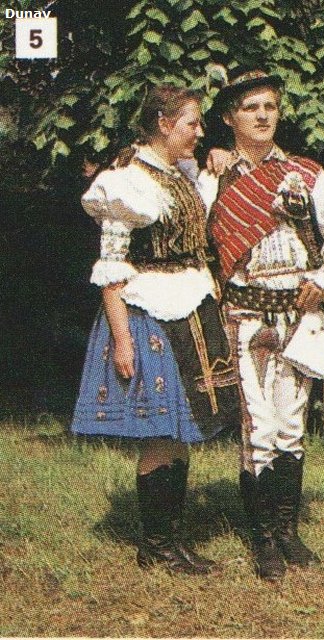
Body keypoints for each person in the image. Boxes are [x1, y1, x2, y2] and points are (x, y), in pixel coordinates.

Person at [198, 70, 324, 582]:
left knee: (292, 427)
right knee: (258, 428)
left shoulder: (303, 174)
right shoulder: (211, 179)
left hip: (298, 315)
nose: (262, 116)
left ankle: (287, 530)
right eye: (250, 107)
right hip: (243, 318)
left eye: (270, 106)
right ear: (229, 117)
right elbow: (195, 244)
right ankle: (263, 539)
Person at [71, 85, 240, 574]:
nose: (200, 132)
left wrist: (215, 165)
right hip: (146, 313)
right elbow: (111, 269)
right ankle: (156, 546)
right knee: (160, 432)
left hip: (188, 307)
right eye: (192, 123)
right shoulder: (126, 182)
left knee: (180, 429)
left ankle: (170, 541)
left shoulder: (178, 173)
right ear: (164, 124)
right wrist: (122, 340)